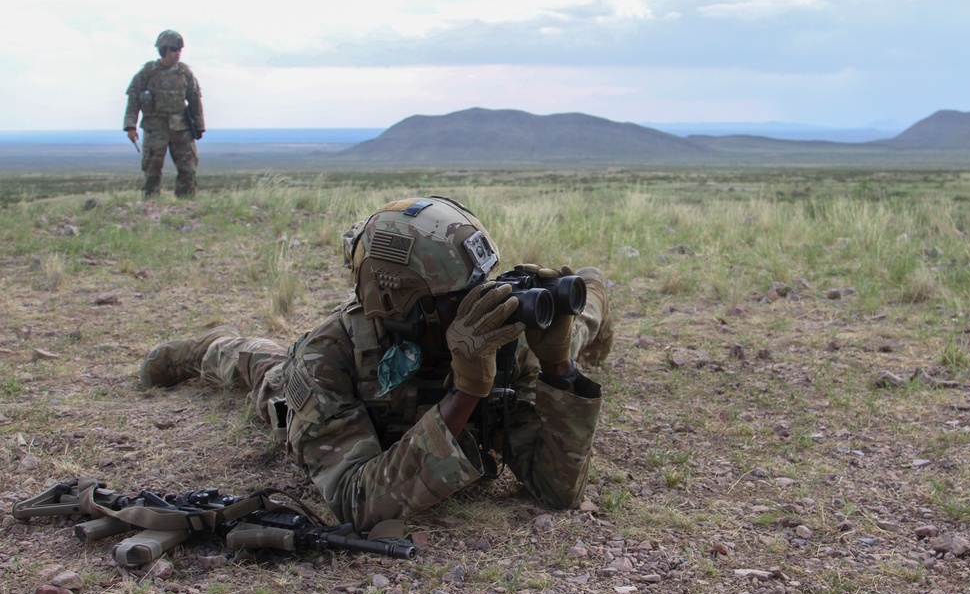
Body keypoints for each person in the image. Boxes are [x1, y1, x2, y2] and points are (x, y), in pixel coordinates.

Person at [138, 196, 614, 533]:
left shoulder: (496, 334)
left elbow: (557, 491)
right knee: (256, 365)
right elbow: (352, 501)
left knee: (578, 324)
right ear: (403, 307)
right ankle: (193, 349)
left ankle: (592, 288)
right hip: (295, 382)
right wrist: (467, 391)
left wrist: (556, 367)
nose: (481, 305)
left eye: (480, 285)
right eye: (458, 299)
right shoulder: (325, 359)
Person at [123, 30, 205, 199]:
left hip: (181, 128)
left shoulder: (184, 73)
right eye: (174, 49)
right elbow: (133, 100)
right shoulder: (147, 73)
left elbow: (195, 99)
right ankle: (151, 205)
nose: (177, 54)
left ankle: (186, 204)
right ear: (164, 50)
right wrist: (130, 126)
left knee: (188, 168)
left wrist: (199, 126)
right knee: (152, 168)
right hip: (155, 128)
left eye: (179, 50)